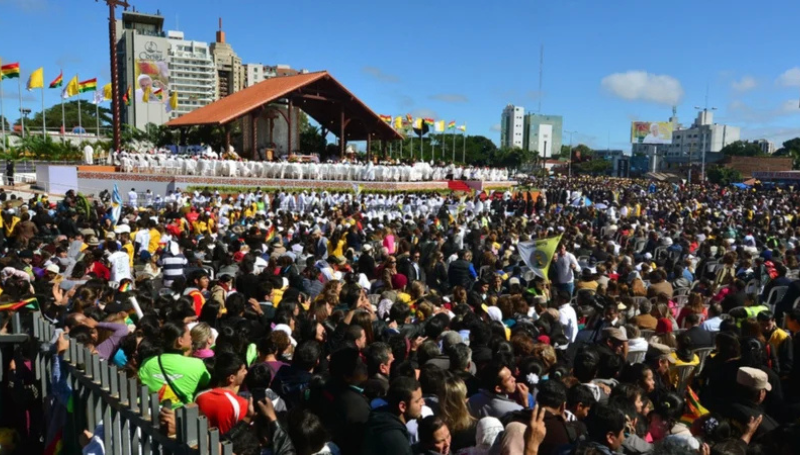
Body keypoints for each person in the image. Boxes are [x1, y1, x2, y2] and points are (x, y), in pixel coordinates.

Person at [138, 322, 211, 406]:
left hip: (151, 411)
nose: (191, 338)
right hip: (182, 412)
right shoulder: (197, 364)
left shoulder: (147, 363)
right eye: (189, 334)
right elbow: (206, 383)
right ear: (180, 341)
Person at [362, 377, 425, 455]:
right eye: (417, 401)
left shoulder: (379, 420)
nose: (423, 403)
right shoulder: (397, 442)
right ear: (402, 406)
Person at [195, 352, 251, 435]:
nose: (246, 372)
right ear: (231, 378)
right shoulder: (241, 403)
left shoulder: (200, 396)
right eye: (243, 370)